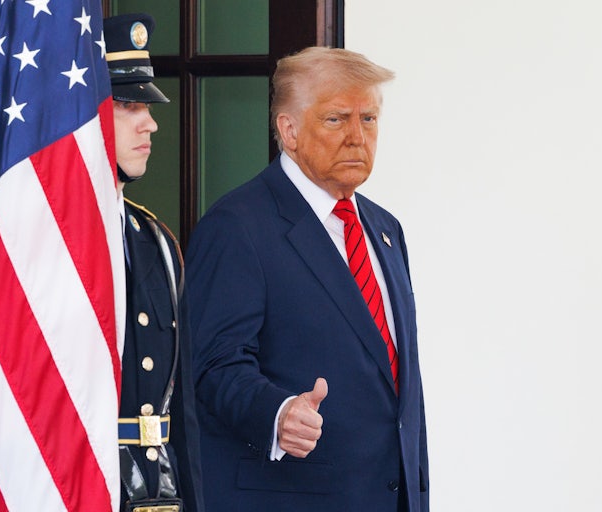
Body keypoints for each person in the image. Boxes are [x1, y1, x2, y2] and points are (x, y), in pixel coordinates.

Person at [185, 46, 429, 512]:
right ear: (289, 130)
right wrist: (276, 413)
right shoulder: (236, 226)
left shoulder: (384, 228)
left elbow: (397, 391)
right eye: (337, 119)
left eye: (369, 119)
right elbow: (212, 366)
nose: (358, 137)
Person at [104, 13, 204, 512]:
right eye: (128, 104)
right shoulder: (44, 245)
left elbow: (182, 410)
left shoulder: (156, 240)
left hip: (158, 494)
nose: (151, 122)